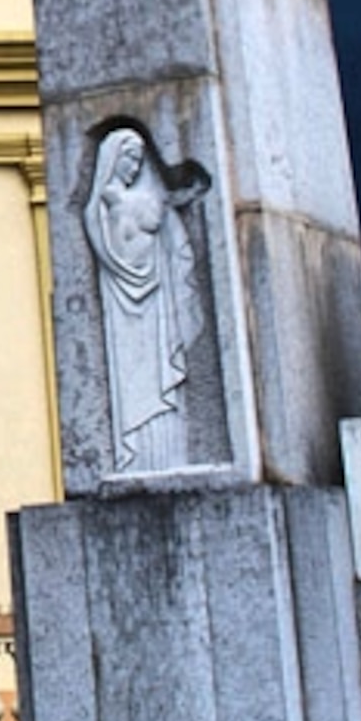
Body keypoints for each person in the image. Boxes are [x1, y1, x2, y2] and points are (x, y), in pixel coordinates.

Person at [86, 126, 205, 473]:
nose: (134, 167)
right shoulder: (113, 207)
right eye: (128, 159)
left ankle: (162, 455)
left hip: (153, 303)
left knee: (157, 380)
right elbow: (149, 218)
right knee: (137, 387)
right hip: (125, 309)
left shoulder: (126, 204)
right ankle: (138, 457)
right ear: (111, 159)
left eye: (138, 160)